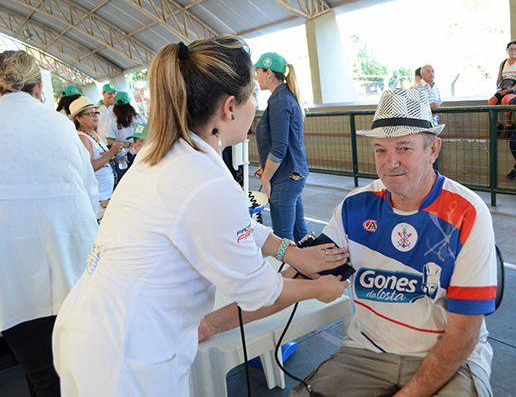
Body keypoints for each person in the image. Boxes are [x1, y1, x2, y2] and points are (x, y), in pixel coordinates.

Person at [52, 35, 349, 397]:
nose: (256, 104)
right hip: (126, 357)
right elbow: (259, 291)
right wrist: (320, 288)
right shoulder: (203, 180)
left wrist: (289, 251)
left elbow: (233, 224)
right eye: (252, 94)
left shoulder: (164, 154)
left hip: (95, 329)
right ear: (229, 108)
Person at [200, 89, 497, 397]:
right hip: (369, 352)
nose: (390, 162)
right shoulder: (355, 208)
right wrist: (209, 325)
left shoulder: (467, 213)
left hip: (451, 360)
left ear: (433, 149)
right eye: (380, 150)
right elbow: (291, 283)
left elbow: (464, 334)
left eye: (404, 148)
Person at [0, 50, 99, 397]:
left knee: (42, 376)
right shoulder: (60, 125)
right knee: (72, 375)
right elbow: (88, 194)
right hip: (72, 265)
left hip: (12, 277)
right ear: (40, 87)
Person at [254, 52, 309, 242]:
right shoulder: (285, 97)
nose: (256, 76)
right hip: (292, 177)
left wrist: (266, 178)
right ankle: (314, 269)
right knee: (300, 235)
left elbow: (279, 149)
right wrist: (264, 167)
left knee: (283, 241)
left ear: (268, 72)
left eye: (258, 71)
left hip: (284, 179)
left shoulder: (279, 101)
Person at [70, 96, 123, 220]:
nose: (95, 116)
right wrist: (110, 153)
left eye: (96, 113)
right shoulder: (82, 137)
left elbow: (100, 159)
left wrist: (112, 157)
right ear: (79, 119)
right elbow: (89, 167)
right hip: (99, 199)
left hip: (105, 196)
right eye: (90, 114)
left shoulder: (94, 134)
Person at [105, 91, 148, 171]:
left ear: (115, 104)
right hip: (133, 153)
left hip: (123, 155)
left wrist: (128, 145)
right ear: (129, 102)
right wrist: (131, 145)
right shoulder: (139, 117)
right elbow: (148, 133)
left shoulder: (112, 120)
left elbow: (110, 141)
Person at [489, 41, 516, 107]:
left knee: (505, 100)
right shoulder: (503, 63)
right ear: (507, 51)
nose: (512, 51)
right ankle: (493, 117)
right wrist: (498, 89)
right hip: (504, 87)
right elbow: (499, 78)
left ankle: (508, 117)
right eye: (510, 49)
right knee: (492, 101)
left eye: (515, 49)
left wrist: (512, 89)